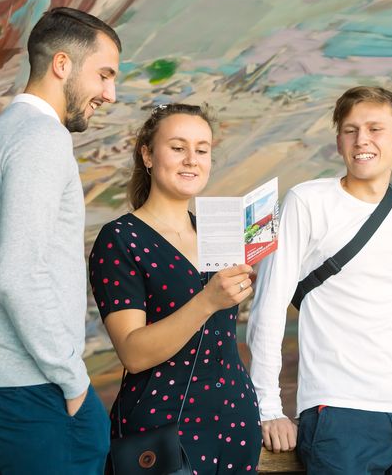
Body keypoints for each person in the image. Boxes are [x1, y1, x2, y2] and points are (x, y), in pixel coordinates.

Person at [0, 7, 121, 474]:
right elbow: (18, 274)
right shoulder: (42, 137)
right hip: (30, 388)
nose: (110, 94)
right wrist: (72, 380)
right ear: (62, 64)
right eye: (104, 75)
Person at [247, 86, 392, 474]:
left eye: (376, 128)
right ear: (339, 141)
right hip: (336, 412)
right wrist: (268, 406)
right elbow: (268, 307)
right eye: (351, 130)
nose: (363, 141)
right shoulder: (306, 200)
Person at [89, 104, 262, 474]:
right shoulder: (120, 238)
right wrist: (209, 300)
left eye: (202, 150)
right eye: (177, 147)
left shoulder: (220, 235)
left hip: (236, 418)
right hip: (162, 423)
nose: (191, 160)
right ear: (148, 155)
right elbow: (133, 353)